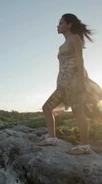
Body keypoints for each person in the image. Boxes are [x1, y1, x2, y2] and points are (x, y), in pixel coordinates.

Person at [39, 13, 102, 155]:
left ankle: (84, 146)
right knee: (47, 107)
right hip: (62, 84)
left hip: (75, 83)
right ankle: (52, 138)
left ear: (69, 25)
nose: (58, 25)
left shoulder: (75, 39)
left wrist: (81, 81)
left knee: (78, 112)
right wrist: (58, 84)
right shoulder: (62, 45)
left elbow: (80, 60)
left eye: (61, 23)